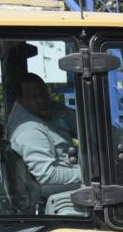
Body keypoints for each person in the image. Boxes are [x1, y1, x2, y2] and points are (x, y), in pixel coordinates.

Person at [6, 76, 84, 214]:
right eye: (34, 97)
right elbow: (48, 176)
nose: (41, 100)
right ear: (21, 99)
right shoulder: (29, 130)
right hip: (63, 196)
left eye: (43, 94)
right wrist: (88, 173)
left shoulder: (50, 110)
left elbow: (90, 127)